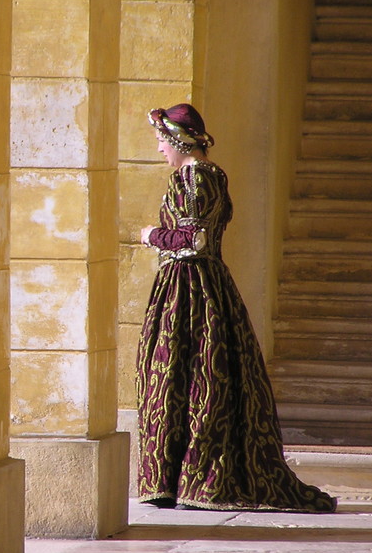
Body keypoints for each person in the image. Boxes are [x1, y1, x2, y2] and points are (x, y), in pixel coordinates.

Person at [136, 103, 336, 512]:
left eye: (161, 141)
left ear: (179, 141)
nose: (159, 149)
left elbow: (194, 242)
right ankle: (183, 480)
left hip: (188, 290)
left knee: (185, 376)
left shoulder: (191, 178)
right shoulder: (213, 176)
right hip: (207, 287)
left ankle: (189, 481)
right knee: (199, 377)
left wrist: (151, 235)